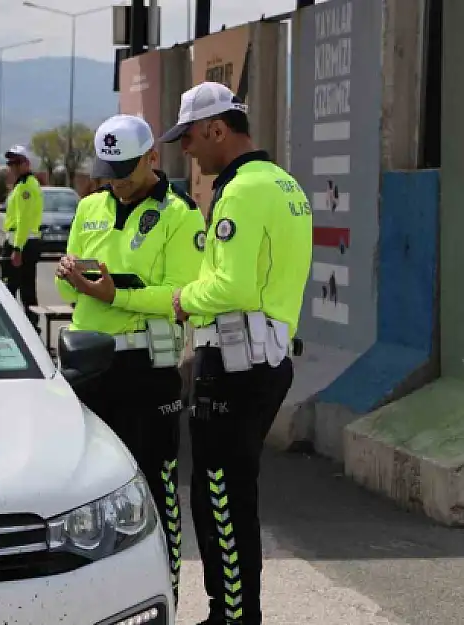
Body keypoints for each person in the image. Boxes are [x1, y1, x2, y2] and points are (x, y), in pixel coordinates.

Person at [161, 81, 312, 625]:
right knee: (233, 492)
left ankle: (232, 616)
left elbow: (231, 288)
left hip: (235, 366)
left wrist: (181, 299)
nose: (188, 151)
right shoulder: (284, 184)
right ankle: (238, 612)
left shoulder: (242, 190)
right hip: (266, 363)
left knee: (217, 498)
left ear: (217, 130)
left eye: (191, 138)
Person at [55, 115, 205, 603]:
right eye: (108, 169)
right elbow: (66, 284)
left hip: (146, 370)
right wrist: (68, 273)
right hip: (88, 368)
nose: (115, 180)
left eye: (125, 168)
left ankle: (167, 598)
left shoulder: (180, 215)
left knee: (158, 491)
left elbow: (183, 296)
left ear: (153, 158)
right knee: (80, 496)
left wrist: (116, 294)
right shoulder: (90, 207)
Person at [0, 145, 43, 329]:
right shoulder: (22, 185)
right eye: (10, 163)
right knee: (24, 287)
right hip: (21, 241)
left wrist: (17, 249)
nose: (13, 167)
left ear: (26, 163)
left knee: (11, 287)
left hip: (22, 243)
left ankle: (10, 324)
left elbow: (23, 220)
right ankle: (30, 324)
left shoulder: (26, 187)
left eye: (17, 162)